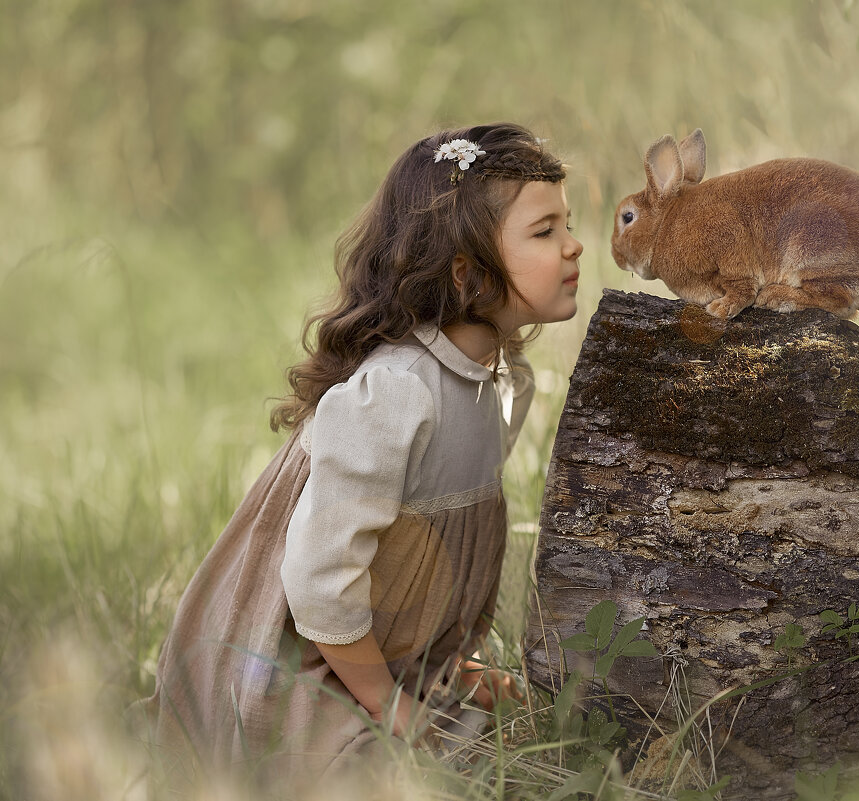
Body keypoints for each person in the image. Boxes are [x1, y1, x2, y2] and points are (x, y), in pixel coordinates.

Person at [136, 122, 583, 782]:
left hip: (392, 659)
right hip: (305, 667)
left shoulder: (503, 385)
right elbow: (320, 578)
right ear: (467, 272)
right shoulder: (395, 394)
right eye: (545, 231)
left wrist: (453, 663)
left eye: (566, 225)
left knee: (492, 764)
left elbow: (433, 551)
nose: (575, 246)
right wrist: (389, 707)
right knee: (379, 780)